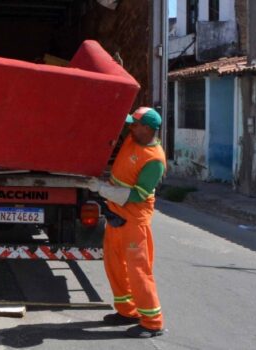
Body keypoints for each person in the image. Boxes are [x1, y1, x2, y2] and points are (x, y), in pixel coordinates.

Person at [88, 107, 167, 338]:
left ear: (148, 129)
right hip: (115, 214)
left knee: (138, 272)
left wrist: (102, 189)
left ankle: (153, 322)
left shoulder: (154, 160)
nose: (130, 127)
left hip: (134, 221)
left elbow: (137, 195)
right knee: (114, 265)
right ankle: (127, 311)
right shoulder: (133, 139)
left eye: (135, 124)